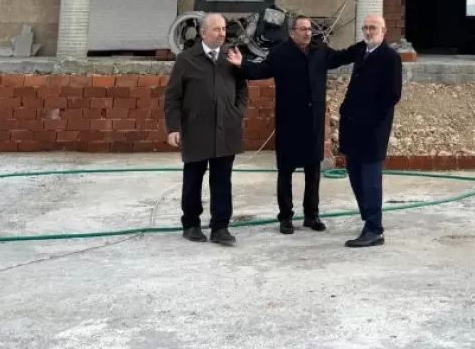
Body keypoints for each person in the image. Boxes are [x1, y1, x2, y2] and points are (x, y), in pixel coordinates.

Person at [227, 14, 357, 234]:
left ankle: (312, 215)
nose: (307, 33)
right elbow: (260, 71)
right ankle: (285, 217)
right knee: (286, 172)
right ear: (292, 32)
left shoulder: (320, 50)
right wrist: (242, 64)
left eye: (309, 29)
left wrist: (363, 47)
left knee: (313, 171)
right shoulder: (281, 53)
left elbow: (341, 57)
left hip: (313, 122)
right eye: (303, 29)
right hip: (289, 122)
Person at [163, 12, 248, 246]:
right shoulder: (186, 59)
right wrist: (173, 128)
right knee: (193, 179)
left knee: (222, 180)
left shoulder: (231, 56)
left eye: (224, 29)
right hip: (196, 129)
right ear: (203, 32)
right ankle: (191, 224)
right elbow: (172, 97)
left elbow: (242, 87)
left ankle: (220, 227)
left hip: (226, 128)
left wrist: (237, 112)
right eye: (216, 29)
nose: (222, 34)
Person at [338, 13, 403, 248]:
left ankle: (375, 229)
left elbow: (392, 95)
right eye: (365, 27)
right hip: (353, 126)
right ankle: (368, 219)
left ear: (383, 31)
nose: (368, 31)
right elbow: (337, 57)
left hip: (373, 130)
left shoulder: (390, 58)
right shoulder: (361, 51)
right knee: (354, 174)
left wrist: (374, 121)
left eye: (373, 28)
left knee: (370, 180)